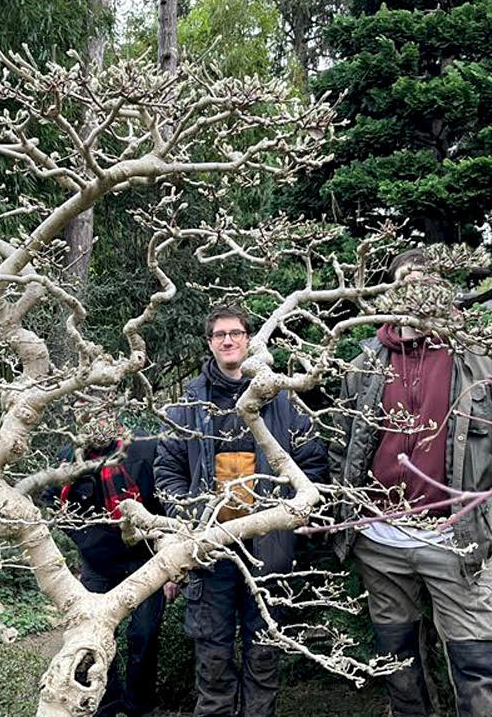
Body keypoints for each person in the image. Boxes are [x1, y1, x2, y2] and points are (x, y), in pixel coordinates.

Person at [331, 249, 492, 717]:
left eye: (428, 279)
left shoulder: (491, 367)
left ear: (445, 291)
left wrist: (488, 529)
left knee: (478, 666)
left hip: (455, 540)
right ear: (392, 290)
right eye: (407, 279)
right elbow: (340, 448)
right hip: (379, 539)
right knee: (396, 667)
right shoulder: (364, 364)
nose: (417, 288)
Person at [155, 305, 327, 717]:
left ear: (249, 338)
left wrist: (298, 512)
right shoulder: (189, 403)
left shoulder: (282, 399)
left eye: (235, 333)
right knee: (211, 657)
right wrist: (190, 517)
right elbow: (167, 469)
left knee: (265, 651)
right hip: (211, 549)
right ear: (210, 343)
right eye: (219, 335)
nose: (228, 340)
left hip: (270, 546)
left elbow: (313, 462)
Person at [49, 404, 166, 717]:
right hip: (97, 559)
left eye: (102, 412)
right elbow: (51, 502)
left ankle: (140, 705)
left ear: (114, 413)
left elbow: (167, 497)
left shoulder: (144, 446)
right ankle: (107, 701)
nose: (95, 421)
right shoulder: (68, 458)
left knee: (144, 633)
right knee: (95, 635)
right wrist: (87, 539)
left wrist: (168, 555)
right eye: (87, 414)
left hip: (145, 557)